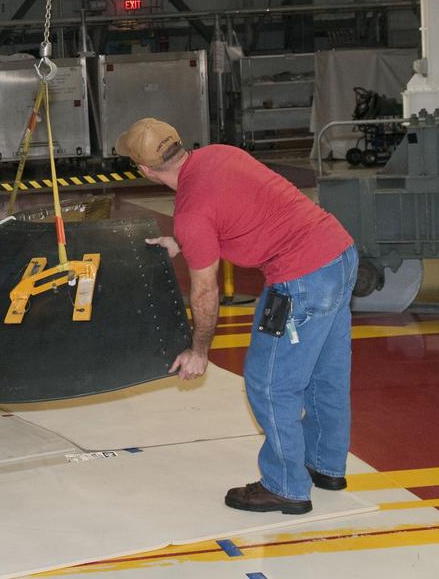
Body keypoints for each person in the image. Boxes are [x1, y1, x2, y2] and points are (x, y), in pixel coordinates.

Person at [116, 117, 357, 516]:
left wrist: (199, 351)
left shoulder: (192, 212)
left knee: (270, 384)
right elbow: (243, 208)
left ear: (144, 169)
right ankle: (325, 465)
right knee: (325, 375)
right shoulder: (219, 154)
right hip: (339, 255)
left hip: (301, 280)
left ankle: (285, 486)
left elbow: (205, 291)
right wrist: (186, 243)